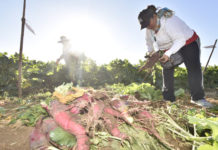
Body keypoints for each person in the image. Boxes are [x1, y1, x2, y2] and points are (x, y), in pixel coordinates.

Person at [138, 5, 213, 108]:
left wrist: (168, 54)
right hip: (170, 46)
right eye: (145, 25)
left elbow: (180, 40)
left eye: (148, 23)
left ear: (154, 16)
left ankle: (198, 98)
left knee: (193, 68)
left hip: (187, 42)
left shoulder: (169, 21)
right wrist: (151, 56)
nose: (148, 27)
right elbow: (149, 43)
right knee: (166, 68)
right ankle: (168, 99)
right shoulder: (149, 28)